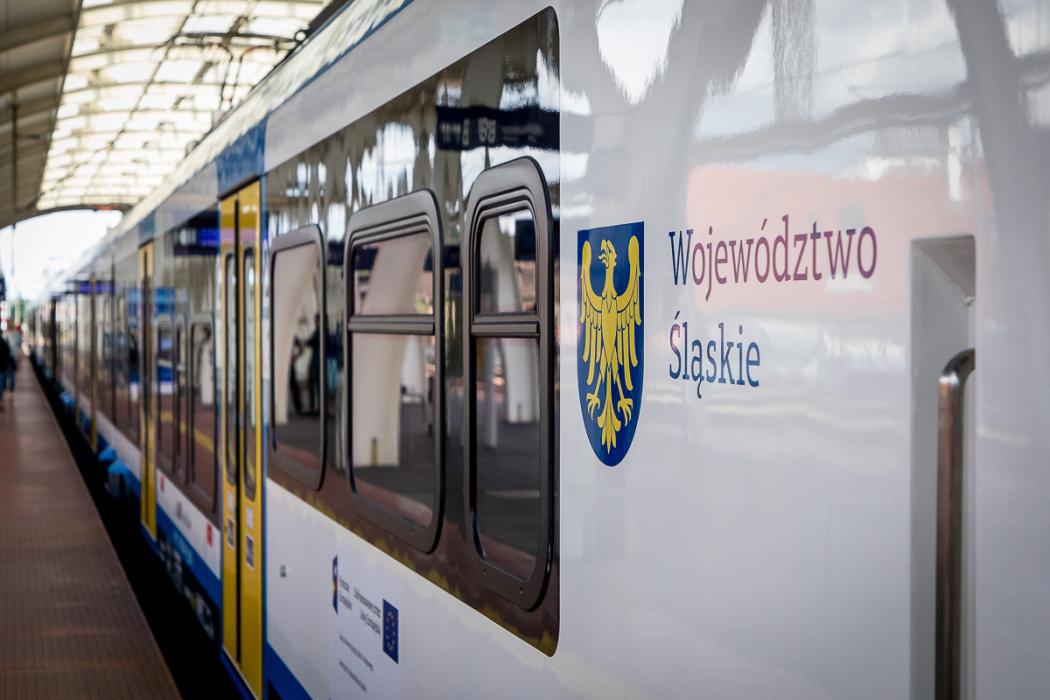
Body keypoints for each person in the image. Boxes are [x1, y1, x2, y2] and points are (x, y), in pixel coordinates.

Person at [0, 334, 11, 410]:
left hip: (3, 366)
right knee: (1, 383)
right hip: (3, 366)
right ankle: (0, 399)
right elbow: (8, 351)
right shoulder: (3, 341)